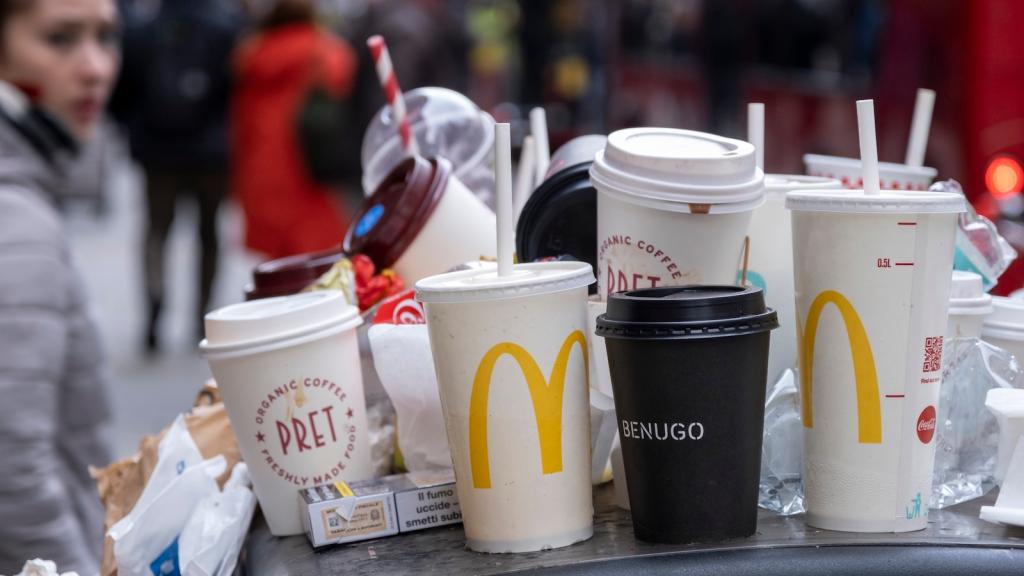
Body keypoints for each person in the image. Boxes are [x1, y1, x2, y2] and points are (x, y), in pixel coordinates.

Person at [0, 0, 119, 572]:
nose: (95, 66)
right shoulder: (15, 220)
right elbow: (12, 470)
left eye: (104, 37)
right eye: (60, 39)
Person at [111, 0, 240, 351]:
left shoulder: (142, 29)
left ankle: (154, 306)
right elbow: (237, 91)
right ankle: (202, 315)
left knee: (156, 230)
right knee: (208, 235)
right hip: (212, 152)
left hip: (157, 150)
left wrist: (134, 132)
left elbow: (121, 92)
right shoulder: (225, 27)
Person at [231, 0, 356, 260]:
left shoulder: (252, 55)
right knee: (315, 258)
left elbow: (239, 122)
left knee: (278, 265)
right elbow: (344, 71)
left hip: (262, 170)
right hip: (306, 168)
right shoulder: (321, 50)